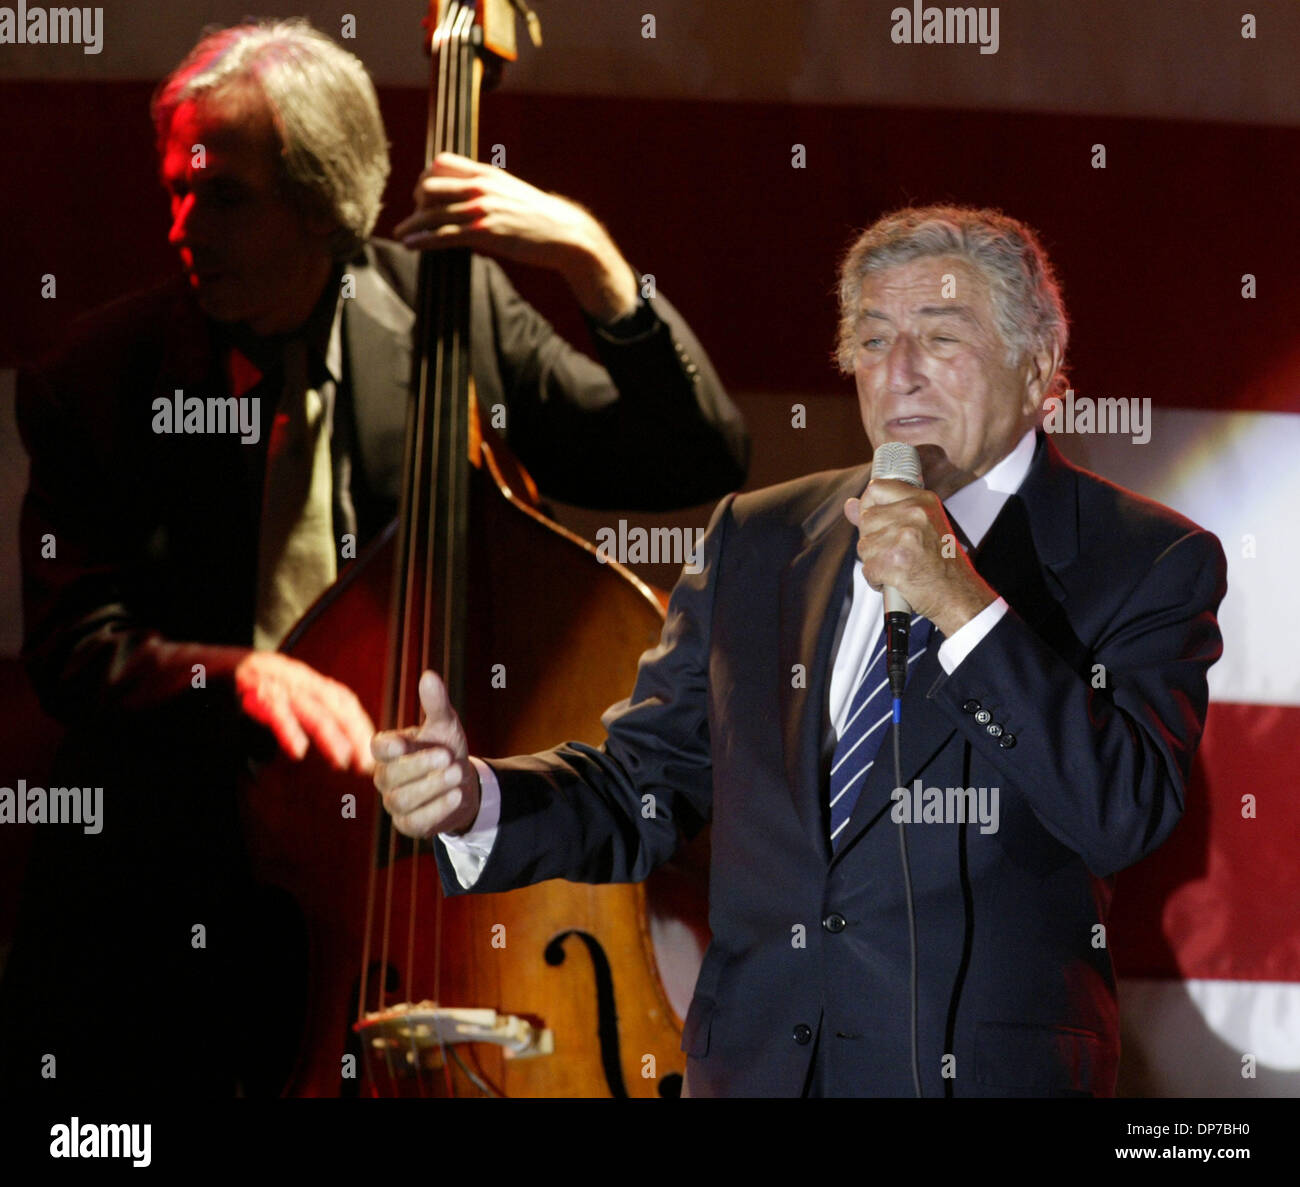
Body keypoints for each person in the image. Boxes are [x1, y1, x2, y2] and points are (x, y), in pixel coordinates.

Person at [0, 19, 747, 1098]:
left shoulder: (457, 316)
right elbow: (75, 649)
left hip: (419, 890)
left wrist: (590, 259)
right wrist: (239, 673)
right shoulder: (96, 381)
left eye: (223, 196)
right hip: (178, 887)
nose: (180, 228)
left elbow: (696, 452)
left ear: (323, 199)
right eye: (175, 189)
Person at [373, 205, 1228, 1097]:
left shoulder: (1145, 561)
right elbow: (644, 787)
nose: (899, 374)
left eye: (940, 338)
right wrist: (476, 798)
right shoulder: (760, 536)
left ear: (1039, 365)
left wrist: (961, 602)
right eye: (872, 339)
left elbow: (1120, 812)